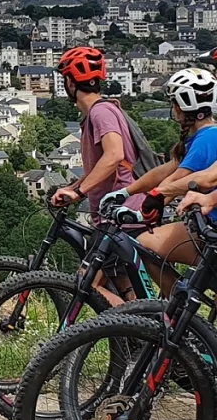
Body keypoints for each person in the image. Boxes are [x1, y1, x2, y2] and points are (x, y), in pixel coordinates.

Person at [109, 68, 217, 294]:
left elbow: (177, 182)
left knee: (146, 244)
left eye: (174, 103)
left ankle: (180, 311)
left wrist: (144, 208)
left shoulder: (206, 139)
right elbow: (163, 172)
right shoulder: (205, 135)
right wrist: (126, 193)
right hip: (207, 225)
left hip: (210, 229)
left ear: (181, 107)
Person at [51, 46, 144, 305]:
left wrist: (79, 192)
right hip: (118, 214)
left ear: (70, 82)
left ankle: (141, 334)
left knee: (86, 283)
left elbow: (114, 156)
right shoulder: (103, 111)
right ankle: (138, 339)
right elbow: (103, 166)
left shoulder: (100, 113)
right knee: (126, 290)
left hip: (119, 215)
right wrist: (75, 186)